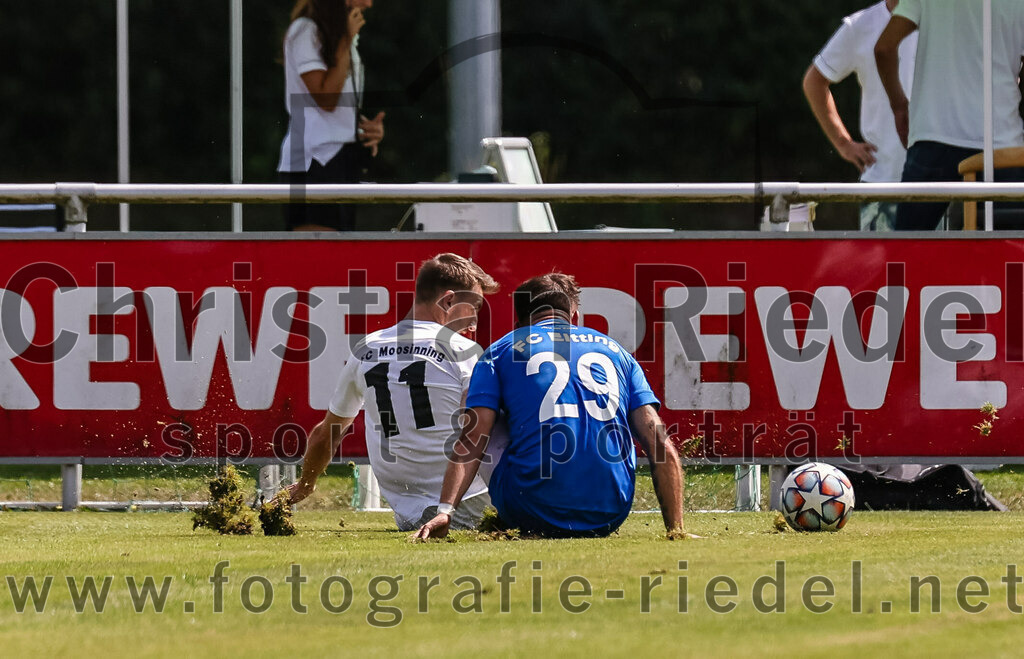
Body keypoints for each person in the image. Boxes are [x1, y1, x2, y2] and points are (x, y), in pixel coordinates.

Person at [414, 273, 690, 540]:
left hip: (530, 511)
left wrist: (445, 511)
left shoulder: (500, 351)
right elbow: (658, 441)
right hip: (609, 514)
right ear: (575, 317)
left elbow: (473, 438)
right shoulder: (618, 352)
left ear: (519, 323)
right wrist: (675, 528)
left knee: (482, 411)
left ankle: (480, 508)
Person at [288, 253, 499, 531]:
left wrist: (306, 484)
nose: (474, 322)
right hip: (465, 503)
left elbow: (327, 432)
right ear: (448, 301)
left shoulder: (367, 348)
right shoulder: (464, 352)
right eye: (473, 307)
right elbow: (478, 432)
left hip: (409, 513)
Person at [875, 0, 1024, 230]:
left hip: (934, 136)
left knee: (906, 254)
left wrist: (899, 106)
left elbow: (884, 48)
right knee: (1006, 256)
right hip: (1002, 144)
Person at [802, 0, 916, 231]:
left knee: (933, 268)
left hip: (936, 184)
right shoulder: (860, 26)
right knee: (879, 267)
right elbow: (814, 81)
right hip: (881, 185)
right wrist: (843, 143)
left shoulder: (939, 22)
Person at [278, 0, 386, 231]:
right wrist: (345, 41)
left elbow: (331, 110)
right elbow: (325, 100)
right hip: (313, 159)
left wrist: (362, 130)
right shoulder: (306, 31)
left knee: (340, 254)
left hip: (339, 158)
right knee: (316, 256)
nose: (369, 3)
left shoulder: (341, 36)